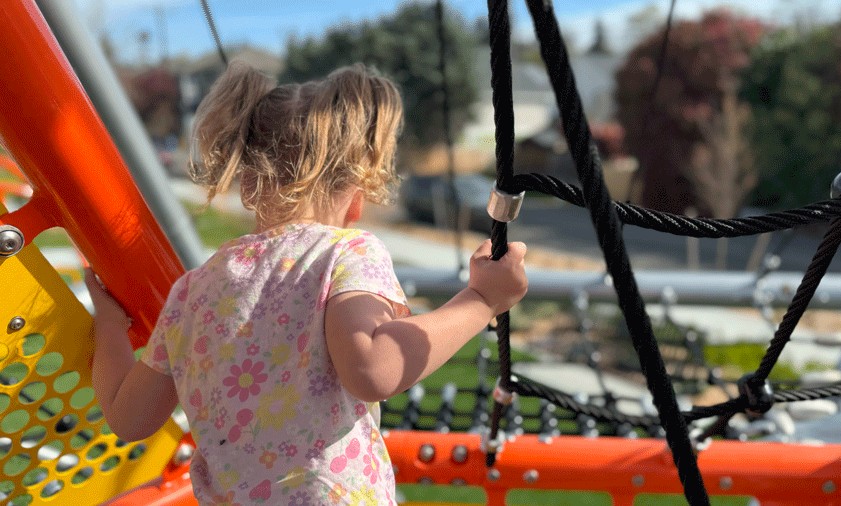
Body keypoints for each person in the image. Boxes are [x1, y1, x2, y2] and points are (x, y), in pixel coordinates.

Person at [86, 61, 528, 505]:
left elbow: (130, 416)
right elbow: (374, 369)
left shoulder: (193, 289)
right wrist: (482, 300)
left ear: (249, 182)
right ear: (356, 197)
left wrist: (108, 322)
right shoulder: (344, 253)